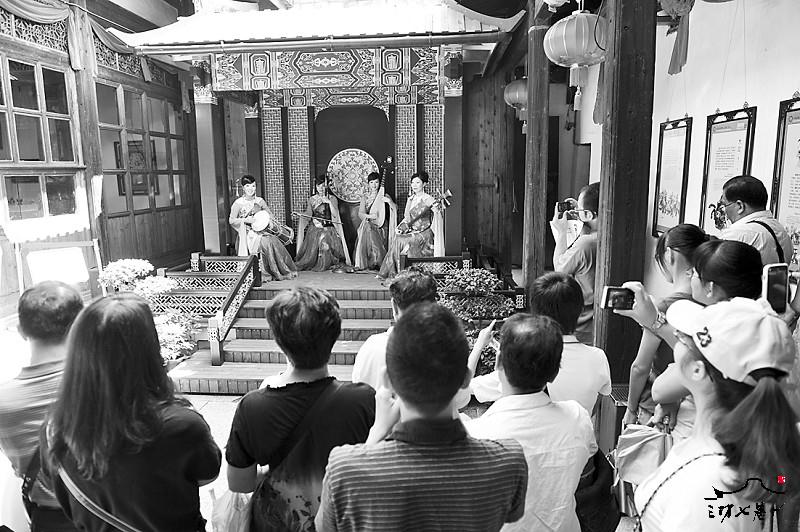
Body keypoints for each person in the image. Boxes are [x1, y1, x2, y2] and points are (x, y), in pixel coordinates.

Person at [315, 303, 528, 531]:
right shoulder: (508, 461)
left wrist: (376, 433)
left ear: (387, 380)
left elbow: (324, 527)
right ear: (466, 379)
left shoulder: (345, 470)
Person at [40, 293, 221, 531]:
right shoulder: (181, 425)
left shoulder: (55, 427)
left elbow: (63, 497)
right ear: (149, 349)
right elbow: (207, 475)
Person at [634, 298, 800, 531]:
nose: (676, 338)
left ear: (697, 370)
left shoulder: (705, 486)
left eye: (682, 338)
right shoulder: (731, 451)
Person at [226, 287, 375, 531]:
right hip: (343, 522)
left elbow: (240, 483)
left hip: (280, 523)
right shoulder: (362, 401)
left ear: (278, 340)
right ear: (335, 336)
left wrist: (271, 474)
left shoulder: (252, 406)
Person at [466, 314, 596, 532]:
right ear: (554, 373)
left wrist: (479, 345)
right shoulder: (577, 419)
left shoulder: (475, 436)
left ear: (498, 363)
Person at [616, 239, 763, 434]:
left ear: (710, 288)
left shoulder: (723, 334)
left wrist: (655, 322)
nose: (689, 275)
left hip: (703, 435)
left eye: (694, 272)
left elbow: (660, 390)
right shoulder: (758, 325)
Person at [0, 282, 83, 531]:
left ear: (20, 330)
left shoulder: (4, 401)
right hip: (112, 513)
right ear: (80, 326)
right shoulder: (106, 382)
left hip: (50, 520)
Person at [469, 272, 611, 416]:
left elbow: (464, 387)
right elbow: (595, 406)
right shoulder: (598, 358)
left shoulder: (524, 361)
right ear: (581, 310)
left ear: (535, 314)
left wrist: (479, 346)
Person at [623, 225, 709, 428]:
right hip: (695, 402)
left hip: (656, 406)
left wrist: (631, 409)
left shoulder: (662, 308)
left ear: (669, 255)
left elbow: (640, 367)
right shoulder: (710, 302)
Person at [351, 268, 436, 389]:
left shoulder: (372, 348)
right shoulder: (445, 349)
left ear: (394, 307)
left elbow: (358, 387)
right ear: (434, 306)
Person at [550, 182, 600, 344]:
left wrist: (562, 232)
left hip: (584, 323)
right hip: (603, 319)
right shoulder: (601, 236)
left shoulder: (586, 243)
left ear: (589, 215)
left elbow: (559, 270)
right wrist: (581, 214)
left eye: (580, 210)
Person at [229, 174, 297, 281]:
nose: (251, 189)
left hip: (261, 231)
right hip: (247, 234)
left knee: (272, 240)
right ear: (243, 188)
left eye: (253, 186)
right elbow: (231, 220)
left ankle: (278, 270)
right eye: (247, 186)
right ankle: (263, 273)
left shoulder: (259, 201)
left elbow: (269, 214)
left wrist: (269, 221)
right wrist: (245, 220)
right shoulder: (238, 203)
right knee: (265, 242)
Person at [378, 170, 444, 279]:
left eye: (418, 182)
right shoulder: (411, 198)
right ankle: (396, 272)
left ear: (424, 184)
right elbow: (407, 217)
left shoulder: (428, 199)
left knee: (401, 240)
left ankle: (400, 272)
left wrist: (437, 209)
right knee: (398, 238)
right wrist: (409, 203)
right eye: (413, 183)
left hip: (424, 232)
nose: (414, 185)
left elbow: (437, 213)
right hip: (413, 230)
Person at [718, 175, 793, 265]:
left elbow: (712, 269)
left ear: (740, 206)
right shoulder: (781, 230)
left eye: (725, 205)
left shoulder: (737, 234)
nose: (725, 211)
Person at [296, 175, 351, 271]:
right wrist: (301, 215)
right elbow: (309, 213)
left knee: (325, 237)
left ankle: (326, 262)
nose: (321, 188)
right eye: (318, 186)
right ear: (316, 187)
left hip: (329, 227)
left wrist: (329, 202)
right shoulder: (312, 199)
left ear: (327, 186)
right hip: (315, 227)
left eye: (323, 185)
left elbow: (335, 215)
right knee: (317, 236)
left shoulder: (332, 198)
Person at [353, 172, 397, 271]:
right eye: (371, 182)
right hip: (369, 224)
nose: (374, 185)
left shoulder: (384, 195)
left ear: (379, 183)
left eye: (376, 182)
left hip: (381, 224)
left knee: (371, 229)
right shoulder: (365, 197)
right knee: (368, 227)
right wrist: (370, 216)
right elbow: (361, 214)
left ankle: (379, 261)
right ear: (368, 184)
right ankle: (373, 261)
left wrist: (389, 202)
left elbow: (395, 208)